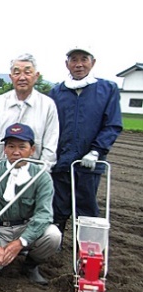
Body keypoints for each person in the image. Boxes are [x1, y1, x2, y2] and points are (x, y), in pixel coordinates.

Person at [48, 46, 123, 233]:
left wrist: (96, 151)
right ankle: (52, 246)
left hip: (89, 162)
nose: (79, 64)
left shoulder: (107, 89)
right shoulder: (57, 92)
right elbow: (50, 126)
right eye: (74, 60)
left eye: (84, 59)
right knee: (58, 206)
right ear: (67, 64)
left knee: (86, 208)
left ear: (93, 62)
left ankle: (88, 251)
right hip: (61, 161)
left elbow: (112, 124)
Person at [0, 123, 61, 285]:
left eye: (22, 147)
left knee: (53, 236)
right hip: (0, 229)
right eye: (11, 146)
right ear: (5, 149)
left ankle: (30, 265)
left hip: (26, 227)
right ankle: (2, 252)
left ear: (32, 150)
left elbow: (44, 214)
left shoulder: (41, 176)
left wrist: (21, 241)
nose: (16, 152)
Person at [0, 53, 59, 170]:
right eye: (17, 73)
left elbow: (50, 146)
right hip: (0, 173)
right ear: (11, 76)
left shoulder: (48, 105)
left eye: (27, 72)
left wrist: (38, 174)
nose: (22, 77)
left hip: (34, 174)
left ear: (36, 76)